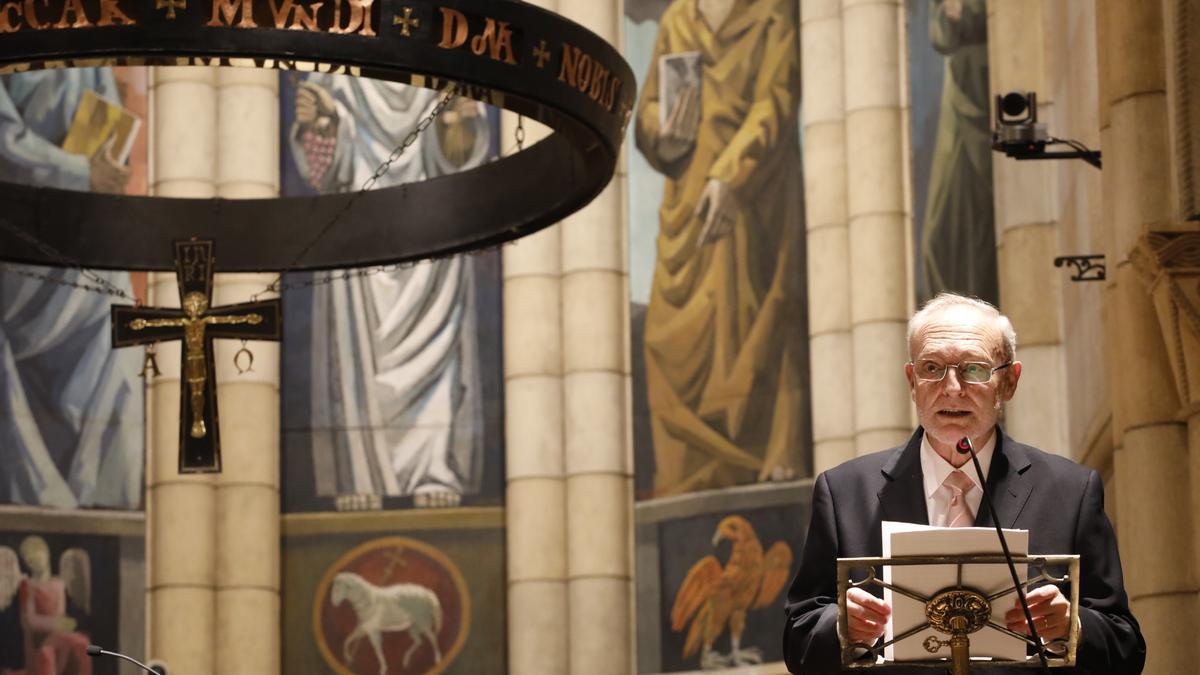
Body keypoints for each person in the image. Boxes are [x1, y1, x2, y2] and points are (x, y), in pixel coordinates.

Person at [782, 293, 1144, 674]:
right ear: (912, 380)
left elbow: (1126, 648)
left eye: (973, 370)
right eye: (932, 368)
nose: (951, 387)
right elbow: (797, 641)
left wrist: (1075, 627)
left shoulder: (1070, 492)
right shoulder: (844, 493)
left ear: (1009, 382)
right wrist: (839, 628)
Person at [288, 74, 492, 507]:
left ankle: (435, 468)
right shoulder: (337, 68)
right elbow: (325, 175)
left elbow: (460, 159)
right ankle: (360, 473)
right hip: (359, 236)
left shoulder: (445, 59)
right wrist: (322, 124)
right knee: (354, 350)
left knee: (440, 348)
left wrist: (459, 123)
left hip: (432, 236)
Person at [633, 0, 806, 496]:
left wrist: (732, 177)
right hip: (687, 199)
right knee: (666, 335)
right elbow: (648, 106)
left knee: (757, 322)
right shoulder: (678, 18)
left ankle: (772, 458)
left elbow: (775, 101)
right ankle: (685, 478)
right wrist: (660, 134)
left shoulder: (771, 12)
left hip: (754, 200)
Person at [0, 69, 143, 509]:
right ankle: (39, 498)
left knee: (120, 313)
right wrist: (83, 172)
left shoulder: (89, 50)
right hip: (13, 241)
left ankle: (105, 501)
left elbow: (104, 130)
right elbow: (5, 144)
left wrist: (107, 170)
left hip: (69, 233)